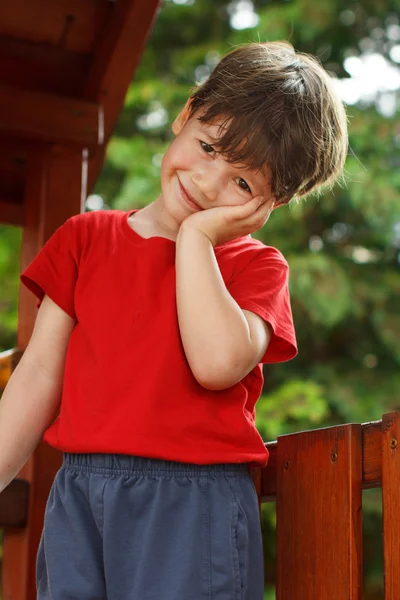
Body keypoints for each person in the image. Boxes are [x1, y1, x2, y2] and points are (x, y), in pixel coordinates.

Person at [0, 41, 348, 599]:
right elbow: (39, 373)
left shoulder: (257, 266)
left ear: (268, 205)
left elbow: (216, 365)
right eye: (208, 146)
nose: (209, 183)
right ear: (184, 115)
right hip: (80, 491)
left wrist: (196, 238)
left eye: (242, 183)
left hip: (193, 500)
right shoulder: (85, 240)